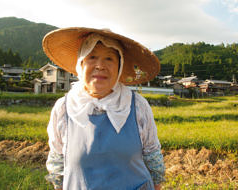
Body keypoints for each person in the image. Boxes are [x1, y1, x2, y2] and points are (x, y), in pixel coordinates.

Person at [43, 27, 165, 190]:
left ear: (119, 67)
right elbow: (57, 161)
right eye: (92, 57)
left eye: (109, 59)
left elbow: (153, 156)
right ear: (81, 64)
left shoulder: (137, 105)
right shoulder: (64, 108)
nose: (100, 66)